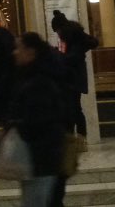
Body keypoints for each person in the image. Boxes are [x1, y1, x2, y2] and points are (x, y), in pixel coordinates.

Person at [5, 31, 69, 207]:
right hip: (41, 159)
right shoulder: (32, 76)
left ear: (31, 52)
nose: (14, 52)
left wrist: (13, 126)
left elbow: (38, 121)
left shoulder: (39, 82)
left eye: (18, 48)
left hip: (42, 159)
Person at [49, 10, 97, 142]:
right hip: (70, 77)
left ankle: (79, 139)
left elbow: (72, 57)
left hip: (73, 78)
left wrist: (57, 55)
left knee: (74, 108)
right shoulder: (73, 36)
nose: (57, 34)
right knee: (70, 108)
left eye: (57, 30)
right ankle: (74, 138)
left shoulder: (74, 37)